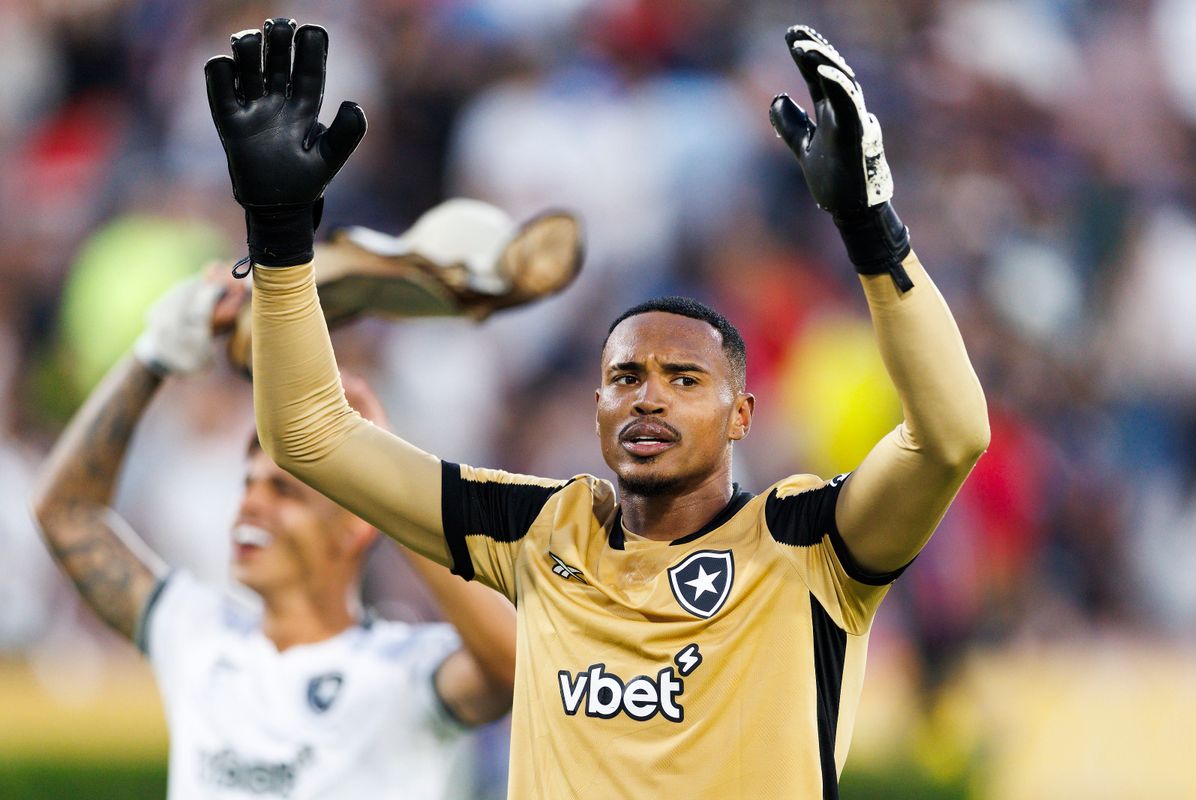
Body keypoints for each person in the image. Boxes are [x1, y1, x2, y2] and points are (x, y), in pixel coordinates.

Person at [205, 19, 989, 798]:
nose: (648, 393)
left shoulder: (807, 543)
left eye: (685, 379)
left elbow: (951, 436)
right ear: (597, 408)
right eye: (626, 377)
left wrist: (871, 229)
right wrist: (279, 235)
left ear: (742, 415)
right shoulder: (541, 531)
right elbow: (305, 433)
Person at [31, 267, 517, 799]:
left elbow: (519, 665)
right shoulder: (196, 636)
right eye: (247, 484)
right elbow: (66, 513)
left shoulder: (406, 670)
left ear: (359, 523)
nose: (249, 504)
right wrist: (155, 353)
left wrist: (386, 473)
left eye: (283, 492)